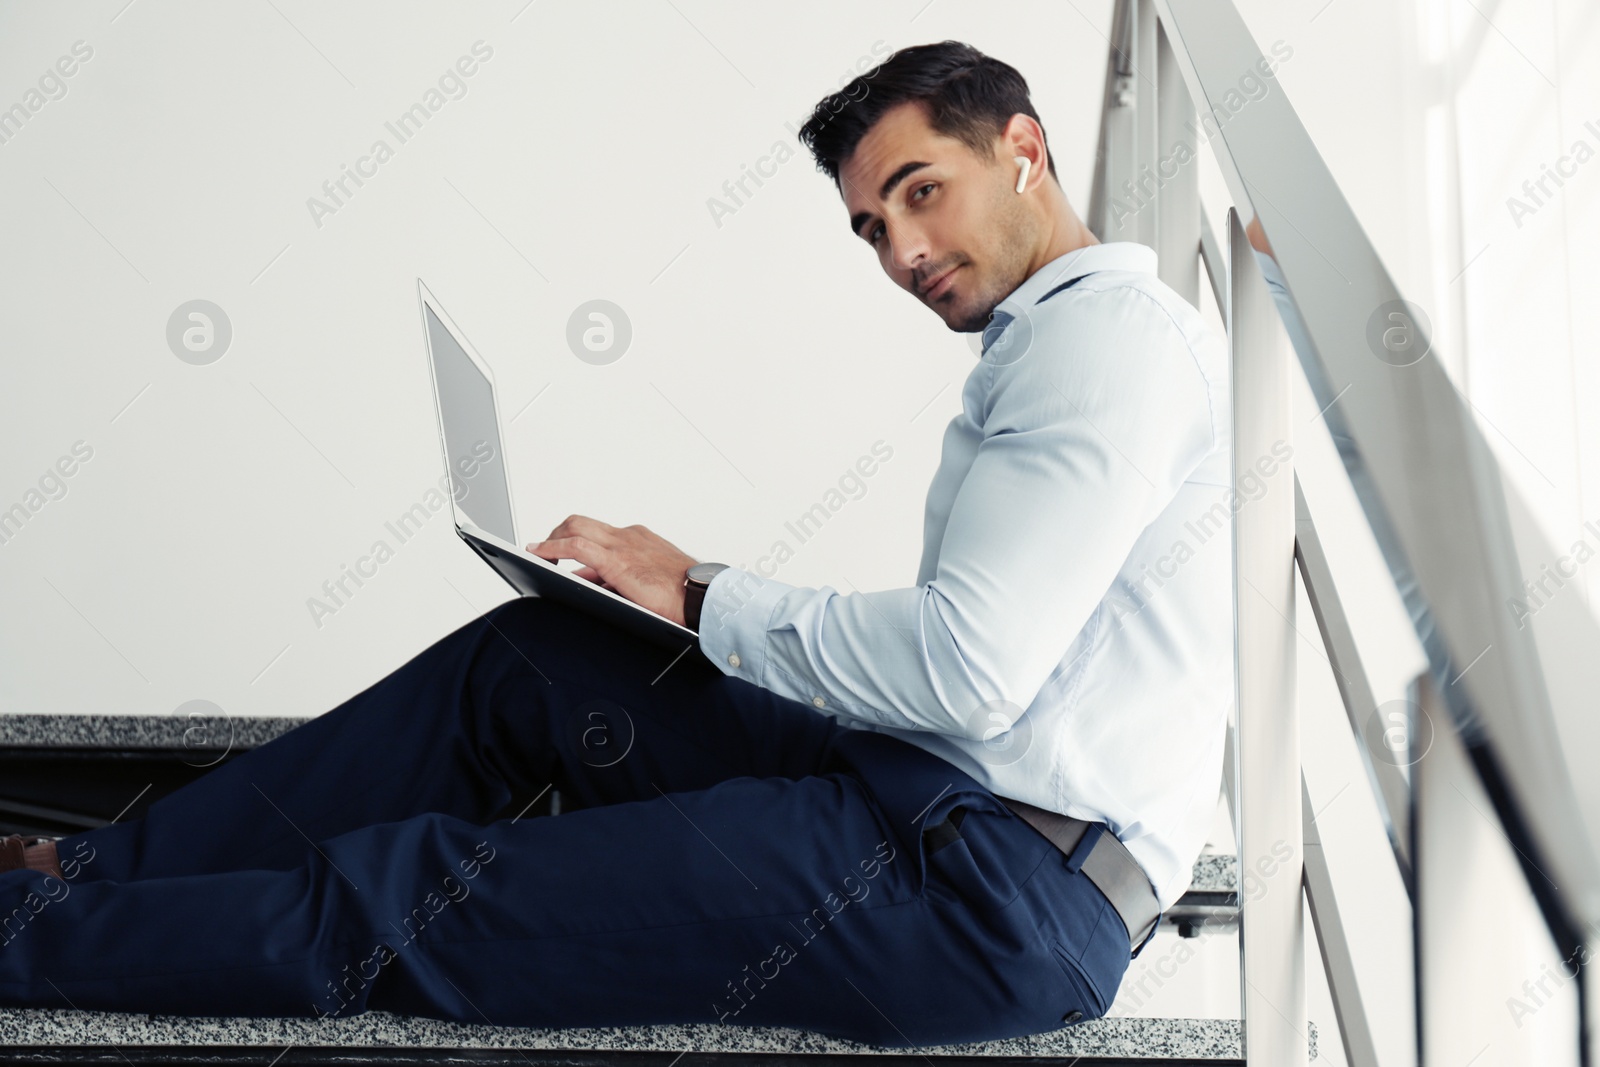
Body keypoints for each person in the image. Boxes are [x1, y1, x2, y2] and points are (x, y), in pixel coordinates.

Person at [0, 40, 1232, 1048]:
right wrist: (691, 597)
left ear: (1021, 147)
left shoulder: (1104, 343)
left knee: (414, 892)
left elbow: (972, 665)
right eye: (869, 226)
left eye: (920, 191)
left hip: (986, 898)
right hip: (931, 791)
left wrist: (704, 595)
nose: (900, 253)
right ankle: (94, 870)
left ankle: (25, 932)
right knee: (534, 663)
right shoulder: (1057, 337)